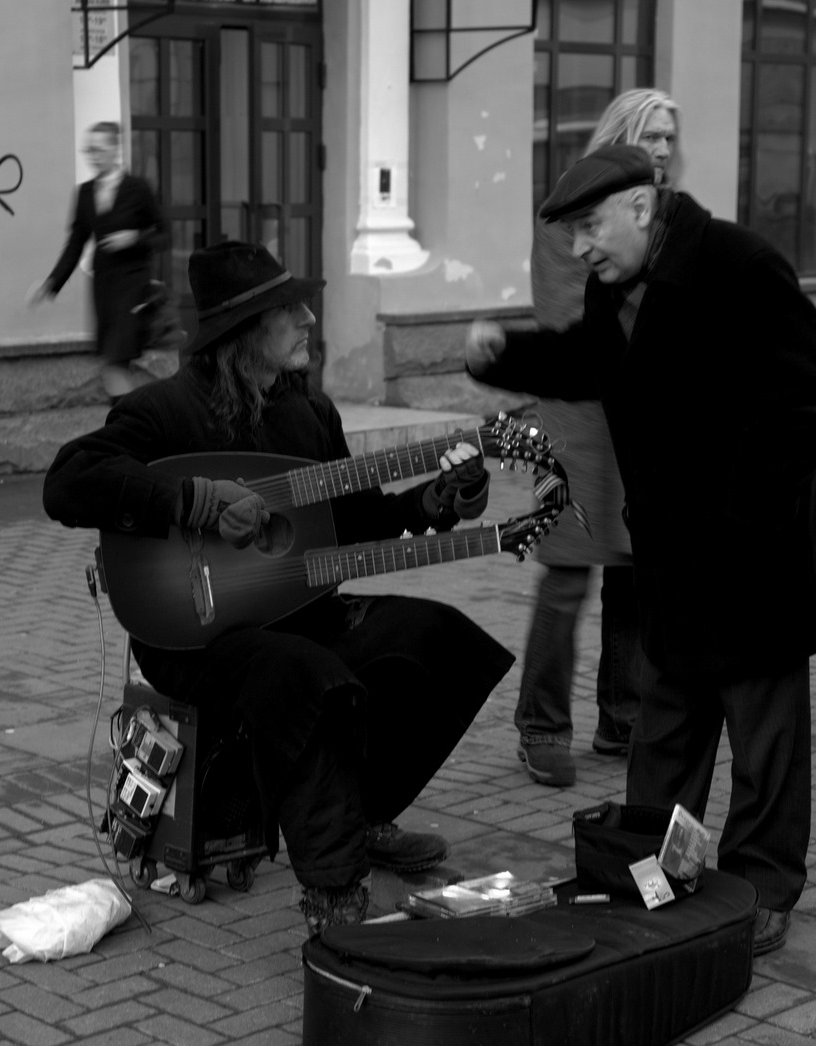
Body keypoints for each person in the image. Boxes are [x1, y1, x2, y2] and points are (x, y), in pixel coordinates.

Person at [45, 240, 514, 936]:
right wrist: (196, 501)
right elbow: (69, 482)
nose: (307, 319)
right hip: (192, 634)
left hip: (297, 610)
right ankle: (333, 892)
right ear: (243, 332)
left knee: (438, 643)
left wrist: (440, 496)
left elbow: (358, 520)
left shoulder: (310, 414)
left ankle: (357, 818)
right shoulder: (164, 411)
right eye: (287, 309)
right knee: (307, 679)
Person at [465, 145, 816, 956]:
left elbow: (807, 401)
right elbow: (589, 361)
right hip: (673, 562)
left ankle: (762, 887)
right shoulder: (614, 291)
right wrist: (508, 354)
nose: (581, 249)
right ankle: (647, 870)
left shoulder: (740, 267)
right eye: (570, 233)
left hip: (755, 562)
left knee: (764, 738)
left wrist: (741, 517)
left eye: (590, 226)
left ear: (642, 207)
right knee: (666, 731)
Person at [517, 88, 682, 788]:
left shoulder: (665, 216)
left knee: (636, 576)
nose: (667, 149)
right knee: (566, 576)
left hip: (643, 421)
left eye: (673, 137)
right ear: (621, 135)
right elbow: (567, 316)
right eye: (654, 135)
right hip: (576, 422)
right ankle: (542, 727)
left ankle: (625, 718)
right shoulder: (568, 211)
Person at [28, 121, 168, 400]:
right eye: (89, 149)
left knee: (115, 366)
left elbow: (164, 235)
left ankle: (130, 428)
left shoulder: (138, 188)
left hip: (133, 288)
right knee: (113, 366)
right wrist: (51, 283)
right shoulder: (84, 193)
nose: (93, 155)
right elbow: (75, 244)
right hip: (103, 289)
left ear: (115, 149)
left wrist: (134, 239)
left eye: (99, 149)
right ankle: (138, 423)